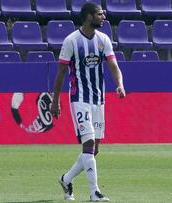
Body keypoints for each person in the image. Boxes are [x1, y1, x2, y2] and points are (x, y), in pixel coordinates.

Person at [51, 2, 125, 202]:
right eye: (100, 14)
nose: (104, 17)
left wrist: (119, 84)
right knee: (89, 143)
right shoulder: (71, 41)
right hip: (79, 98)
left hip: (98, 99)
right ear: (88, 17)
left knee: (94, 149)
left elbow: (113, 65)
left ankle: (66, 179)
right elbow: (61, 73)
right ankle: (94, 192)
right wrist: (55, 101)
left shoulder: (103, 39)